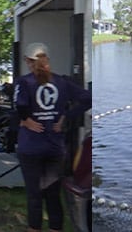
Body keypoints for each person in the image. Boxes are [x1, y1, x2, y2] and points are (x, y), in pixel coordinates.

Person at [14, 42, 92, 231]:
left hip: (30, 147)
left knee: (34, 196)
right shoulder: (61, 82)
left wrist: (26, 120)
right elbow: (88, 98)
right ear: (47, 59)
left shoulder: (24, 82)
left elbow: (19, 107)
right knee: (53, 195)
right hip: (54, 148)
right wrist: (67, 117)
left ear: (27, 61)